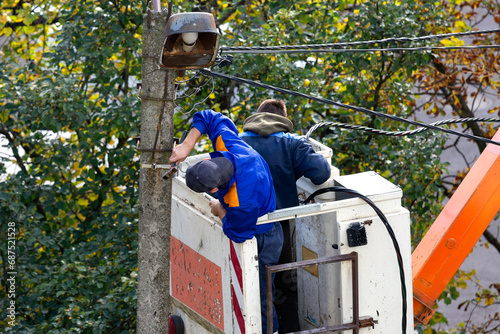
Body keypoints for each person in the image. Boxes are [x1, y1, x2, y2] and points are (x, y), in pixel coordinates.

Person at [169, 109, 283, 334]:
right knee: (261, 289)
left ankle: (273, 330)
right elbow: (210, 117)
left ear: (213, 190)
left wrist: (220, 210)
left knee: (260, 293)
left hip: (265, 236)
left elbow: (239, 233)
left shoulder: (241, 200)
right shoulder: (229, 146)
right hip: (259, 216)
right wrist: (186, 146)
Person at [240, 99, 332, 333]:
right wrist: (301, 151)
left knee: (253, 285)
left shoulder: (237, 143)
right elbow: (321, 174)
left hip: (243, 226)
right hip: (279, 227)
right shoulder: (291, 143)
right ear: (283, 119)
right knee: (281, 285)